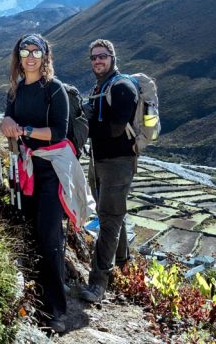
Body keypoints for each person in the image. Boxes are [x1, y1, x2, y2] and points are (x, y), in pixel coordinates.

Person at [0, 33, 71, 335]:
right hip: (25, 169)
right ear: (19, 56)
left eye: (36, 51)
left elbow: (58, 131)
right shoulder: (15, 91)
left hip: (49, 171)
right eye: (25, 51)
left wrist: (24, 129)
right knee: (28, 231)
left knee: (50, 237)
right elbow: (7, 121)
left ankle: (57, 311)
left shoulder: (55, 90)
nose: (30, 57)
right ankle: (34, 298)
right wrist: (6, 124)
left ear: (45, 56)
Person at [77, 39, 138, 304]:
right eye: (93, 58)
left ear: (113, 57)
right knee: (113, 214)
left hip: (118, 163)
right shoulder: (100, 88)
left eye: (102, 56)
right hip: (99, 161)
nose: (97, 61)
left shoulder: (122, 88)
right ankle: (125, 267)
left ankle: (98, 284)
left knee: (109, 220)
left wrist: (85, 122)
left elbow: (114, 128)